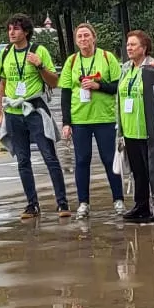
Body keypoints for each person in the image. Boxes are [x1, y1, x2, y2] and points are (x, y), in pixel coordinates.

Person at [0, 14, 69, 219]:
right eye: (10, 29)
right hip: (13, 112)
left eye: (16, 29)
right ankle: (32, 204)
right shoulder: (6, 52)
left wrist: (40, 66)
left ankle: (62, 203)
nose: (12, 32)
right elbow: (2, 83)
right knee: (22, 160)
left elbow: (54, 82)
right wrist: (1, 112)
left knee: (49, 157)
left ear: (26, 32)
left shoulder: (39, 51)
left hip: (35, 109)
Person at [60, 22, 125, 218]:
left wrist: (99, 86)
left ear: (94, 38)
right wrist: (66, 122)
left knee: (108, 159)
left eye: (86, 36)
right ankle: (83, 203)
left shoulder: (107, 58)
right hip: (80, 119)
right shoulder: (71, 61)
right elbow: (65, 93)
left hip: (104, 118)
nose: (83, 40)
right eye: (79, 37)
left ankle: (118, 200)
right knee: (82, 160)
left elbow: (117, 86)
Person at [119, 30, 154, 224]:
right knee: (138, 171)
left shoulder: (153, 67)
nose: (129, 48)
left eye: (133, 45)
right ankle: (140, 205)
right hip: (129, 129)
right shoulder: (126, 68)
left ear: (144, 48)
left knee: (153, 170)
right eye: (128, 44)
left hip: (148, 128)